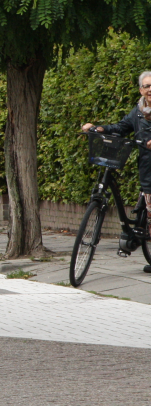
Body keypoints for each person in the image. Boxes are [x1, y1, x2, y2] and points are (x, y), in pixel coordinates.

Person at [82, 70, 151, 273]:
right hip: (147, 167)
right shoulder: (138, 112)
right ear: (141, 90)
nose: (150, 89)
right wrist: (99, 129)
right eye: (146, 86)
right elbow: (121, 127)